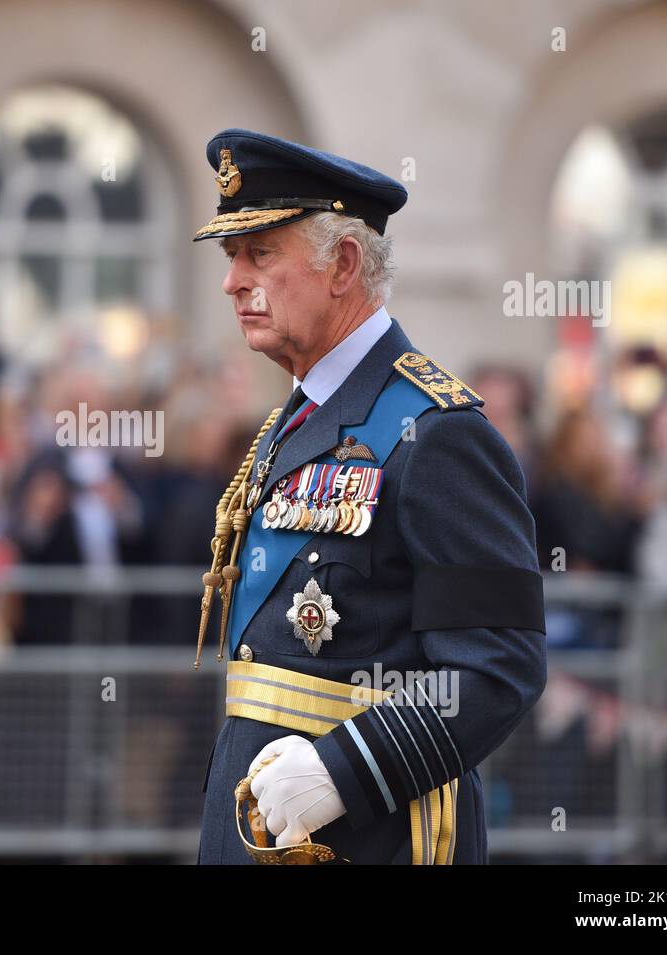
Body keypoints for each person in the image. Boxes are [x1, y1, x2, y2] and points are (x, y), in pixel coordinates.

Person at [190, 129, 547, 864]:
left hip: (369, 835)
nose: (233, 282)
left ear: (343, 265)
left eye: (259, 253)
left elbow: (497, 663)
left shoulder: (435, 430)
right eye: (232, 257)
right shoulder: (297, 413)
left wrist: (342, 772)